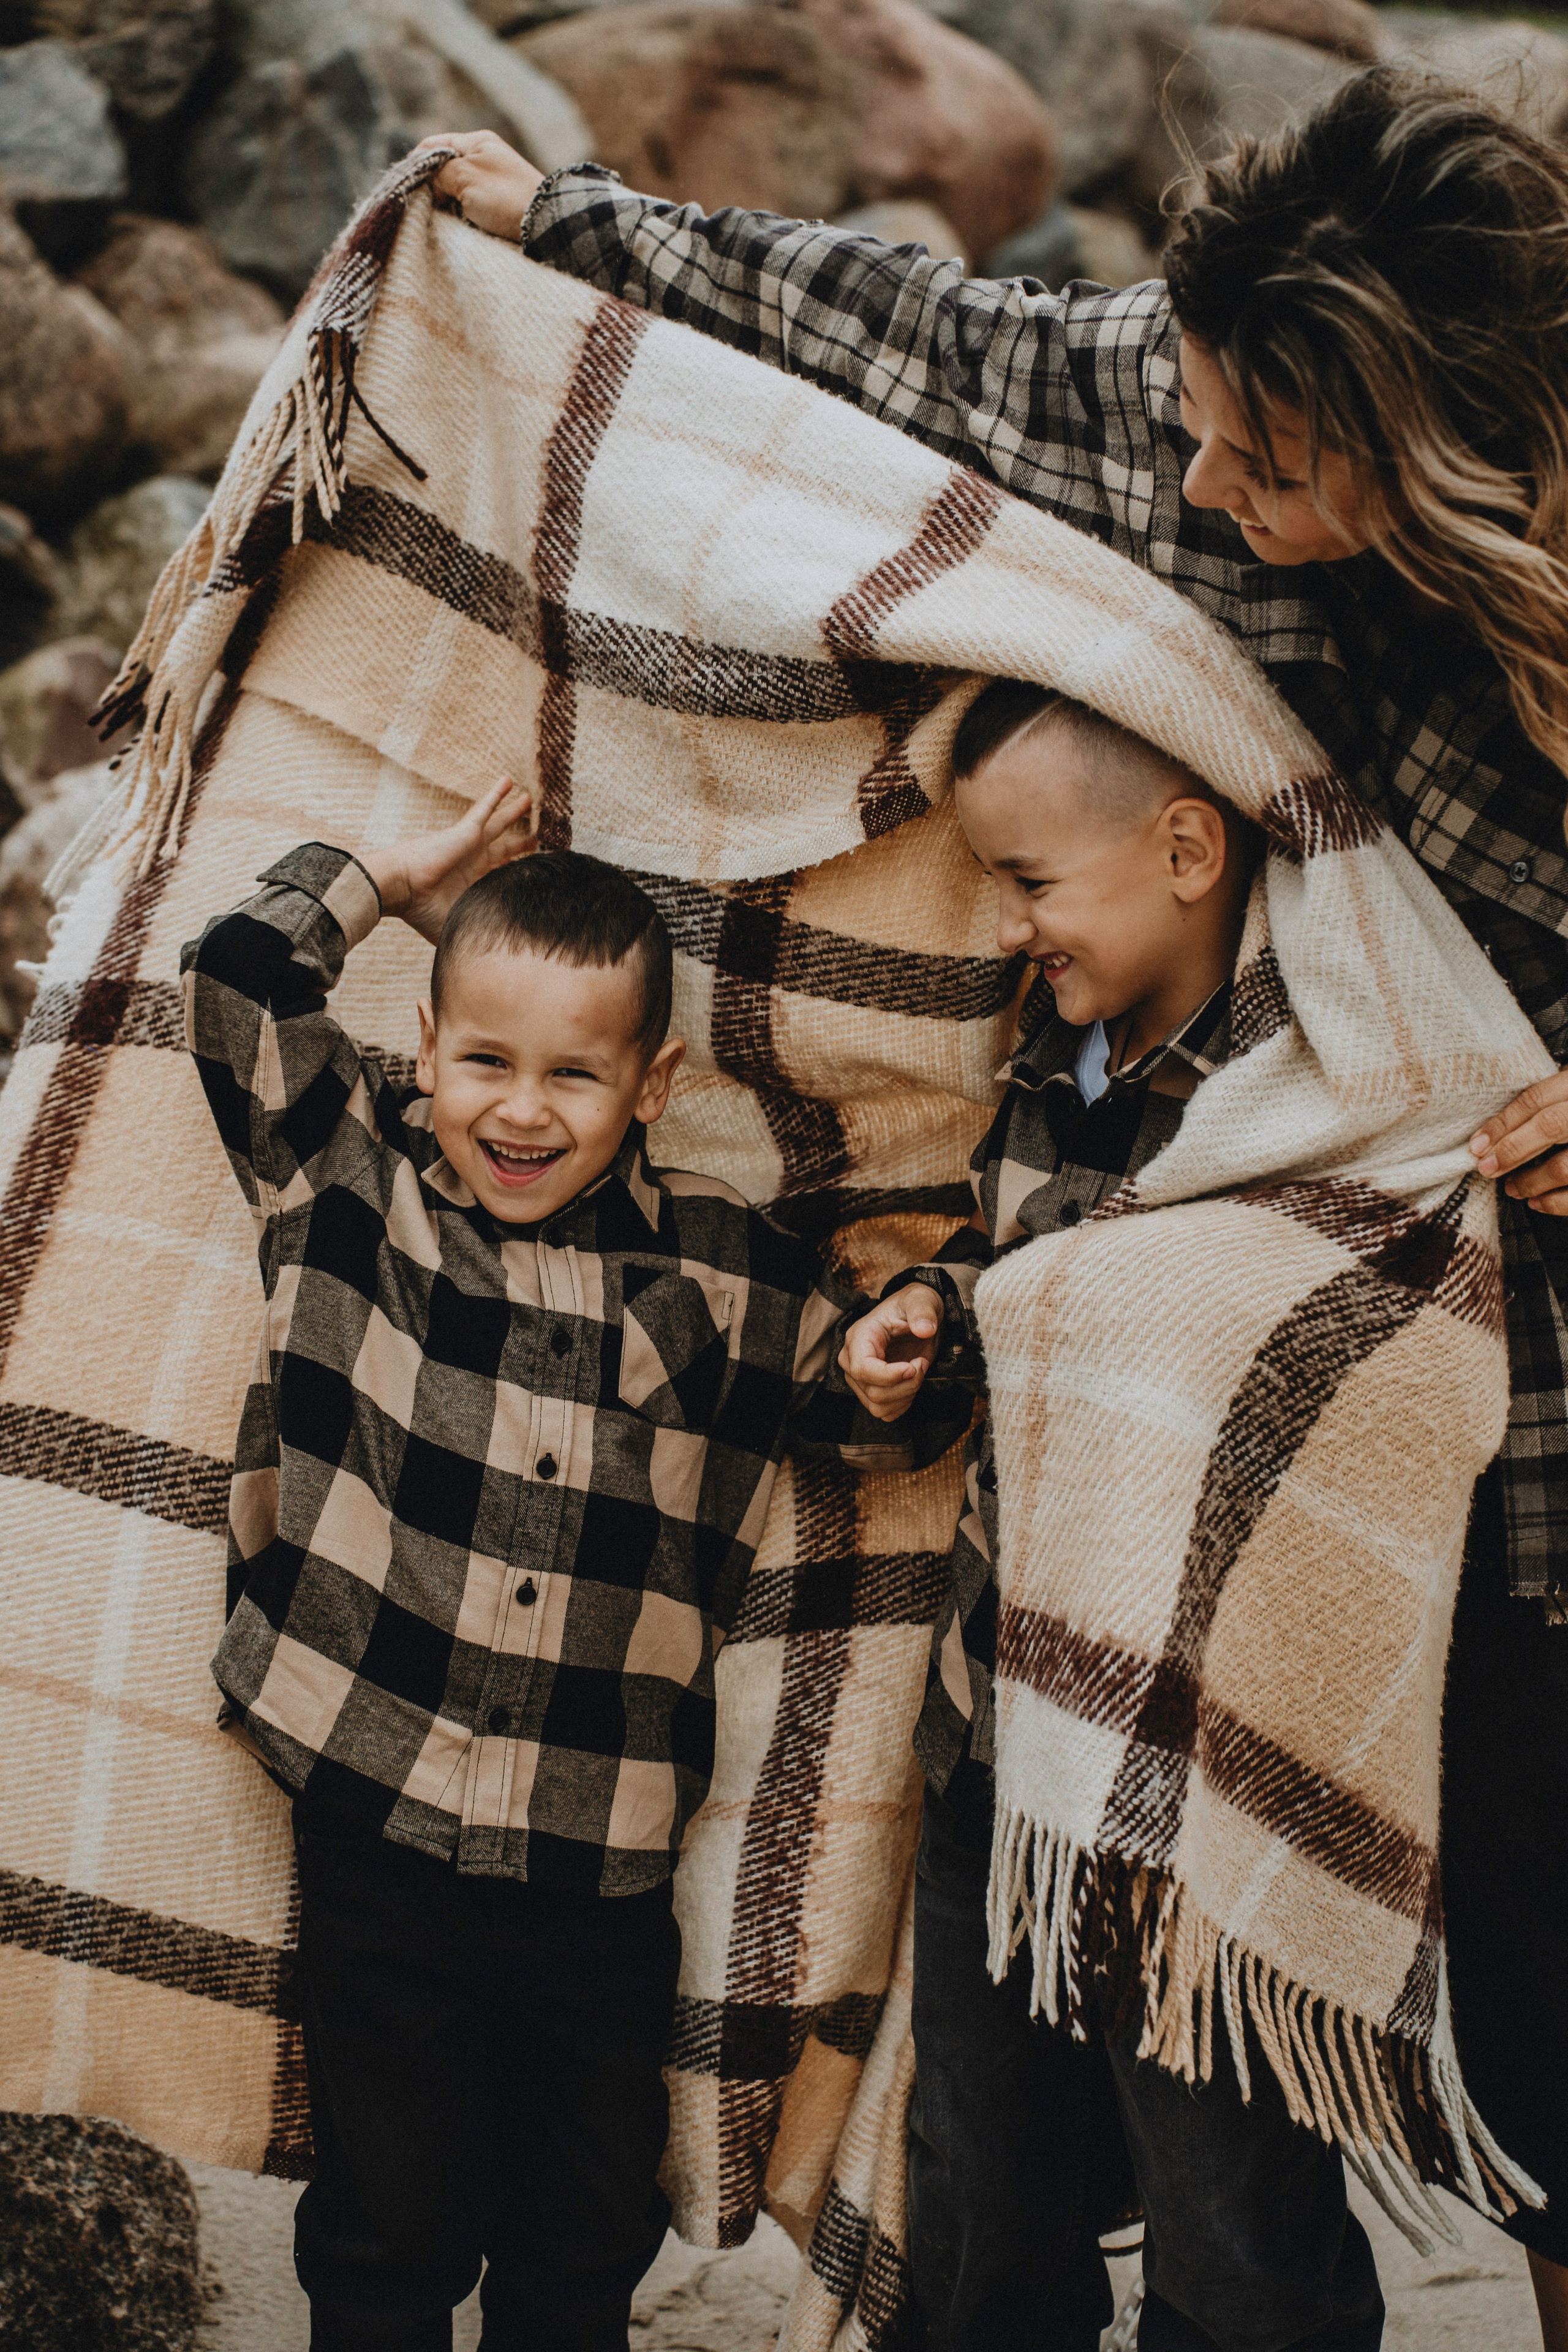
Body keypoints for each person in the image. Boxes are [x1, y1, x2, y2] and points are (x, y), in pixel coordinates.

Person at [422, 66, 1568, 2350]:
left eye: (1269, 455)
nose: (1208, 488)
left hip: (1530, 1397)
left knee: (1557, 2025)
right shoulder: (1198, 403)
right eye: (1208, 428)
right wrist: (546, 213)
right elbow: (932, 332)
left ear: (1437, 433)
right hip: (1395, 1352)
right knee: (1505, 2027)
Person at [182, 778, 965, 2352]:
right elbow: (235, 982)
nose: (520, 1111)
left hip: (598, 1863)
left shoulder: (722, 1271)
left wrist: (908, 1354)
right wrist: (393, 876)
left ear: (653, 1081)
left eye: (572, 1075)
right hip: (375, 1827)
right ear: (423, 1049)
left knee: (577, 2246)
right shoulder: (354, 1185)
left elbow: (869, 1418)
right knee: (384, 2233)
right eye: (484, 1061)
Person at [837, 681, 1375, 2352]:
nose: (1006, 922)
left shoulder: (1312, 1087)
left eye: (1033, 882)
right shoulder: (1046, 1067)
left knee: (1233, 2224)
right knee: (982, 2201)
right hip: (999, 1739)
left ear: (1189, 850)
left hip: (1209, 1784)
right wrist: (921, 1333)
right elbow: (1021, 1307)